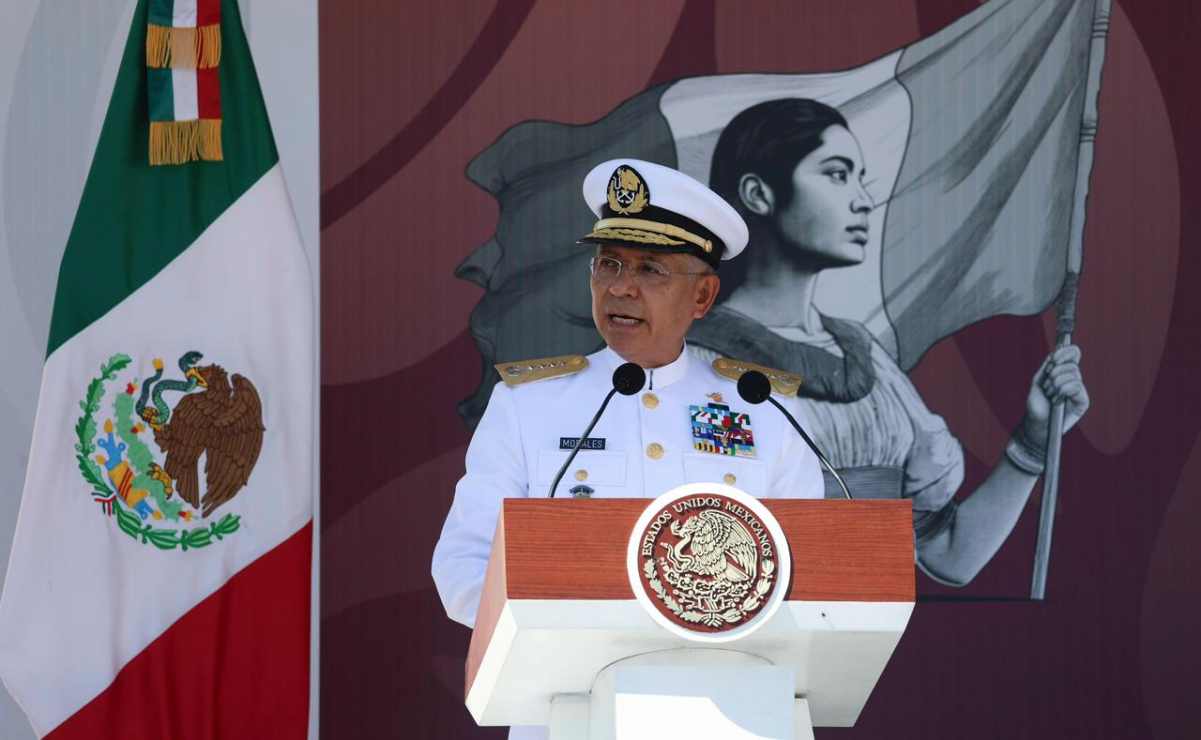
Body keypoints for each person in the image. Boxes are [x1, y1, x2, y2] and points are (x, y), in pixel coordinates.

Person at [688, 98, 1091, 586]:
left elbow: (950, 556)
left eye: (861, 179)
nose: (862, 200)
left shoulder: (864, 356)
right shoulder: (698, 361)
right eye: (837, 175)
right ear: (758, 193)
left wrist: (1034, 437)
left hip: (870, 634)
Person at [431, 159, 825, 635]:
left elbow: (811, 570)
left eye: (650, 269)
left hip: (724, 688)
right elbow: (464, 563)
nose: (620, 287)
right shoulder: (528, 405)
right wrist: (549, 630)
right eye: (609, 264)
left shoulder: (762, 409)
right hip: (573, 692)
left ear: (703, 295)